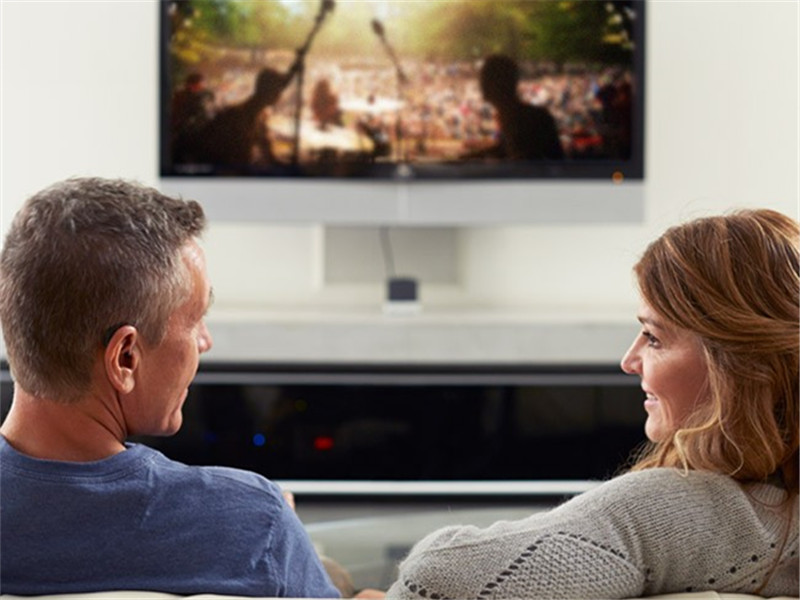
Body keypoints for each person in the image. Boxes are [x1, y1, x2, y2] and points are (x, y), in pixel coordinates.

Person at [387, 209, 799, 599]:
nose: (629, 361)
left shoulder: (678, 509)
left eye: (654, 338)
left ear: (739, 367)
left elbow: (434, 578)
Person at [0, 177, 341, 598]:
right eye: (195, 320)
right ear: (125, 358)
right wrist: (267, 527)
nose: (205, 341)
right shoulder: (253, 523)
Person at [465, 54, 564, 161]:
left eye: (484, 79)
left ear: (496, 84)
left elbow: (521, 158)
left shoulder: (524, 119)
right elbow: (505, 149)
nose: (481, 85)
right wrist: (470, 157)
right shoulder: (520, 115)